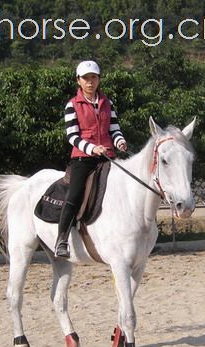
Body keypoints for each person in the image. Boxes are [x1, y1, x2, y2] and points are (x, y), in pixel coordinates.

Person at [55, 60, 128, 258]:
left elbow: (114, 129)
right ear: (78, 80)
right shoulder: (72, 104)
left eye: (93, 77)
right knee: (74, 195)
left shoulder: (107, 103)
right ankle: (61, 240)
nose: (90, 82)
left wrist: (120, 142)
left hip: (108, 156)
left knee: (126, 191)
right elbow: (72, 136)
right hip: (83, 158)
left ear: (98, 79)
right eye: (85, 78)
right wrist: (92, 148)